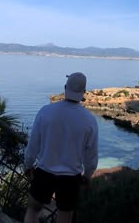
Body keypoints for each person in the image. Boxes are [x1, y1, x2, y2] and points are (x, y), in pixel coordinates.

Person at [23, 72, 99, 223]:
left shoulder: (46, 112)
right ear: (84, 92)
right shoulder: (89, 120)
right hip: (70, 178)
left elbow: (33, 145)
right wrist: (88, 175)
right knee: (65, 217)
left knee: (32, 210)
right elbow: (91, 156)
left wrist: (28, 165)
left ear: (65, 88)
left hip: (44, 172)